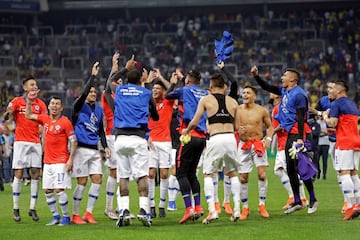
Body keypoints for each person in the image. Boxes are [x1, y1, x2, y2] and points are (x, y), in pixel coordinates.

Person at [251, 66, 319, 215]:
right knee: (291, 168)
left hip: (299, 134)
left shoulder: (299, 94)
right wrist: (256, 76)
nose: (282, 77)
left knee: (301, 168)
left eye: (285, 76)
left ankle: (312, 199)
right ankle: (297, 200)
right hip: (290, 133)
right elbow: (267, 86)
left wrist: (300, 139)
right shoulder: (284, 92)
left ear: (292, 79)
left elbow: (301, 118)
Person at [181, 73, 241, 224]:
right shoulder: (233, 102)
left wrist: (186, 131)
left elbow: (195, 121)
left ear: (212, 86)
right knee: (232, 173)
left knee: (208, 174)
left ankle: (212, 211)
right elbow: (238, 127)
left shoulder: (206, 100)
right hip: (230, 138)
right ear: (225, 87)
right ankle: (237, 209)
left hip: (215, 138)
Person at [113, 68, 159, 228]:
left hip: (119, 139)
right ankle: (144, 210)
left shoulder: (119, 90)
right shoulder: (146, 93)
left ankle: (124, 210)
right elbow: (155, 115)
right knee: (141, 176)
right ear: (141, 78)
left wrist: (124, 68)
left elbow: (110, 82)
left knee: (123, 176)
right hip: (137, 138)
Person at [25, 95, 77, 226]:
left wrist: (70, 159)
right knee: (48, 190)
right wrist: (29, 102)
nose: (54, 106)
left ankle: (66, 217)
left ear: (61, 108)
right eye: (52, 103)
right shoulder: (45, 119)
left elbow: (73, 141)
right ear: (48, 106)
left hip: (61, 161)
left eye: (57, 104)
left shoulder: (65, 122)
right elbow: (28, 115)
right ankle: (55, 216)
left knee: (59, 189)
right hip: (47, 161)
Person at [165, 69, 207, 224]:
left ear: (188, 80)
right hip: (202, 138)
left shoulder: (184, 90)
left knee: (181, 174)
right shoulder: (204, 93)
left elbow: (167, 96)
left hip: (188, 135)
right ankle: (199, 207)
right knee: (192, 174)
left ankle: (189, 209)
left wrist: (173, 83)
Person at [71, 62, 111, 224]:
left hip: (94, 149)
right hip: (80, 149)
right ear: (85, 94)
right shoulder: (78, 107)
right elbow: (84, 94)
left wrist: (106, 146)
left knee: (97, 179)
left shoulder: (99, 110)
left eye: (95, 92)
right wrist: (93, 77)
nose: (93, 93)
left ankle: (88, 213)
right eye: (91, 92)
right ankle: (75, 214)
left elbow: (101, 130)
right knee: (82, 182)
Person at [4, 76, 47, 222]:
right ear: (25, 88)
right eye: (32, 84)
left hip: (35, 141)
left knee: (35, 173)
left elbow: (43, 123)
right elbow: (8, 115)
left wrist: (43, 140)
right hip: (21, 141)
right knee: (19, 173)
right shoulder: (17, 101)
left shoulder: (41, 104)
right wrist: (8, 114)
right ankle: (16, 208)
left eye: (36, 84)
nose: (35, 86)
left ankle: (32, 208)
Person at [101, 53, 136, 220]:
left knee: (122, 172)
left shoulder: (122, 96)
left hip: (122, 135)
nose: (120, 83)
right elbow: (110, 82)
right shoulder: (107, 96)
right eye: (118, 82)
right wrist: (116, 66)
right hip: (111, 135)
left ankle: (119, 207)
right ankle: (108, 207)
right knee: (114, 172)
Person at [321, 80, 360, 221]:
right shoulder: (352, 104)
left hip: (344, 142)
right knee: (353, 173)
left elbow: (333, 122)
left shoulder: (336, 103)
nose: (329, 91)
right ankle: (358, 204)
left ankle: (350, 207)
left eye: (331, 89)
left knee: (344, 173)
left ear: (339, 91)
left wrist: (325, 115)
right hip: (356, 141)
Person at [234, 85, 274, 220]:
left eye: (248, 93)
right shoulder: (237, 110)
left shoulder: (262, 111)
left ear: (254, 96)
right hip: (243, 145)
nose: (244, 95)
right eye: (243, 92)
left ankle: (262, 205)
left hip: (258, 144)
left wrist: (268, 138)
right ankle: (245, 207)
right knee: (243, 177)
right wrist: (238, 131)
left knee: (262, 175)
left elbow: (270, 127)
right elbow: (233, 127)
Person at [269, 92, 308, 210]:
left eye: (271, 92)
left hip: (286, 143)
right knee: (279, 171)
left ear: (277, 96)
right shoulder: (279, 108)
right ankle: (299, 197)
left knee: (291, 173)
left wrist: (271, 133)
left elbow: (283, 125)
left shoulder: (278, 109)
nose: (269, 94)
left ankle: (298, 198)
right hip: (283, 143)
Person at [147, 76, 173, 218]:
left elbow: (172, 88)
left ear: (163, 91)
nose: (155, 90)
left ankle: (162, 205)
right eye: (153, 88)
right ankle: (151, 206)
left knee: (164, 174)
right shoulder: (148, 103)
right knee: (151, 173)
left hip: (165, 142)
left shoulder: (168, 102)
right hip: (151, 142)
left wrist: (161, 77)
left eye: (158, 88)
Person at [315, 116, 330, 180]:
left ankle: (324, 174)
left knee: (325, 160)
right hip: (318, 143)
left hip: (326, 143)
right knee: (317, 159)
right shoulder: (317, 123)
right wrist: (323, 132)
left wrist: (321, 131)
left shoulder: (326, 123)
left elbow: (329, 132)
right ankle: (318, 171)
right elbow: (316, 131)